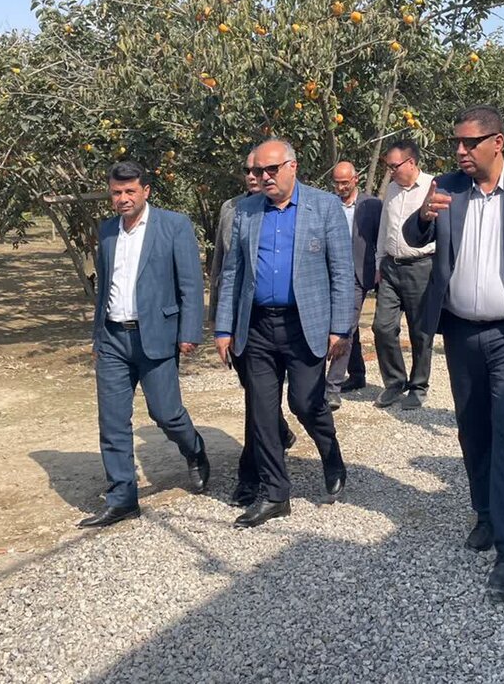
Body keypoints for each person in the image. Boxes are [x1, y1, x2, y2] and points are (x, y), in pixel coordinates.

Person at [404, 107, 504, 602]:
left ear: (497, 142)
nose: (460, 151)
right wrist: (424, 215)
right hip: (461, 333)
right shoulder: (447, 187)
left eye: (469, 142)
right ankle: (486, 514)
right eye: (455, 142)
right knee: (473, 428)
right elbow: (413, 237)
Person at [215, 139, 354, 528]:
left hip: (304, 325)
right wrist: (224, 327)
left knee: (305, 403)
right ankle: (276, 494)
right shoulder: (246, 211)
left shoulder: (323, 207)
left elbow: (342, 271)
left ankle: (330, 453)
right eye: (258, 171)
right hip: (257, 326)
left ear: (292, 166)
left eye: (271, 170)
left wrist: (340, 328)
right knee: (262, 412)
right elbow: (233, 272)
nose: (263, 177)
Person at [80, 161, 209, 528]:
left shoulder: (173, 225)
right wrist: (98, 336)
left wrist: (189, 332)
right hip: (113, 338)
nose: (122, 198)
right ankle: (122, 498)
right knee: (112, 421)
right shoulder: (108, 230)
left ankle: (194, 449)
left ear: (146, 191)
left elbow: (190, 283)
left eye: (129, 191)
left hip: (156, 335)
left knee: (166, 413)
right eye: (116, 192)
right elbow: (105, 288)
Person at [210, 151, 297, 509]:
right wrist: (219, 321)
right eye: (248, 170)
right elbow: (221, 267)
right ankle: (278, 433)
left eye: (260, 169)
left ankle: (250, 475)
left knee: (257, 405)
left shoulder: (291, 208)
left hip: (282, 321)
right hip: (242, 322)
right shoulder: (232, 209)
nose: (253, 175)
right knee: (257, 398)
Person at [372, 140, 437, 410]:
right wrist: (379, 262)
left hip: (421, 267)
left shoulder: (433, 186)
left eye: (394, 166)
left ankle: (418, 386)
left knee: (420, 331)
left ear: (411, 162)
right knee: (382, 327)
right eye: (388, 167)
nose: (390, 171)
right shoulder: (392, 189)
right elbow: (384, 227)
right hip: (390, 267)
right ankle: (394, 382)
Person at [327, 161, 382, 409]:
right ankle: (357, 374)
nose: (340, 187)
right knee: (350, 326)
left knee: (344, 328)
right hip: (333, 275)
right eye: (336, 183)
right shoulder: (329, 205)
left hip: (359, 275)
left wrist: (379, 268)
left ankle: (332, 387)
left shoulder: (372, 206)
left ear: (355, 179)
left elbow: (382, 238)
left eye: (344, 182)